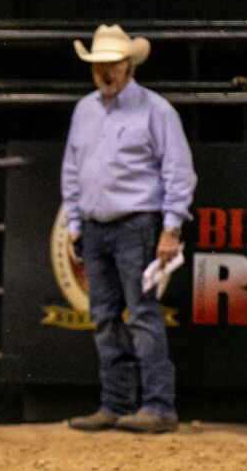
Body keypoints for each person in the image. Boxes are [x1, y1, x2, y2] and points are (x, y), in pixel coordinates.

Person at [63, 25, 196, 435]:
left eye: (112, 64)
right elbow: (72, 168)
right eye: (98, 64)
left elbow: (178, 172)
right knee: (105, 316)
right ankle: (117, 403)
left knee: (139, 315)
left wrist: (170, 228)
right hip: (96, 227)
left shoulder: (157, 111)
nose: (105, 71)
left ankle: (157, 405)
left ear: (128, 65)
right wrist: (74, 221)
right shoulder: (85, 110)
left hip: (137, 223)